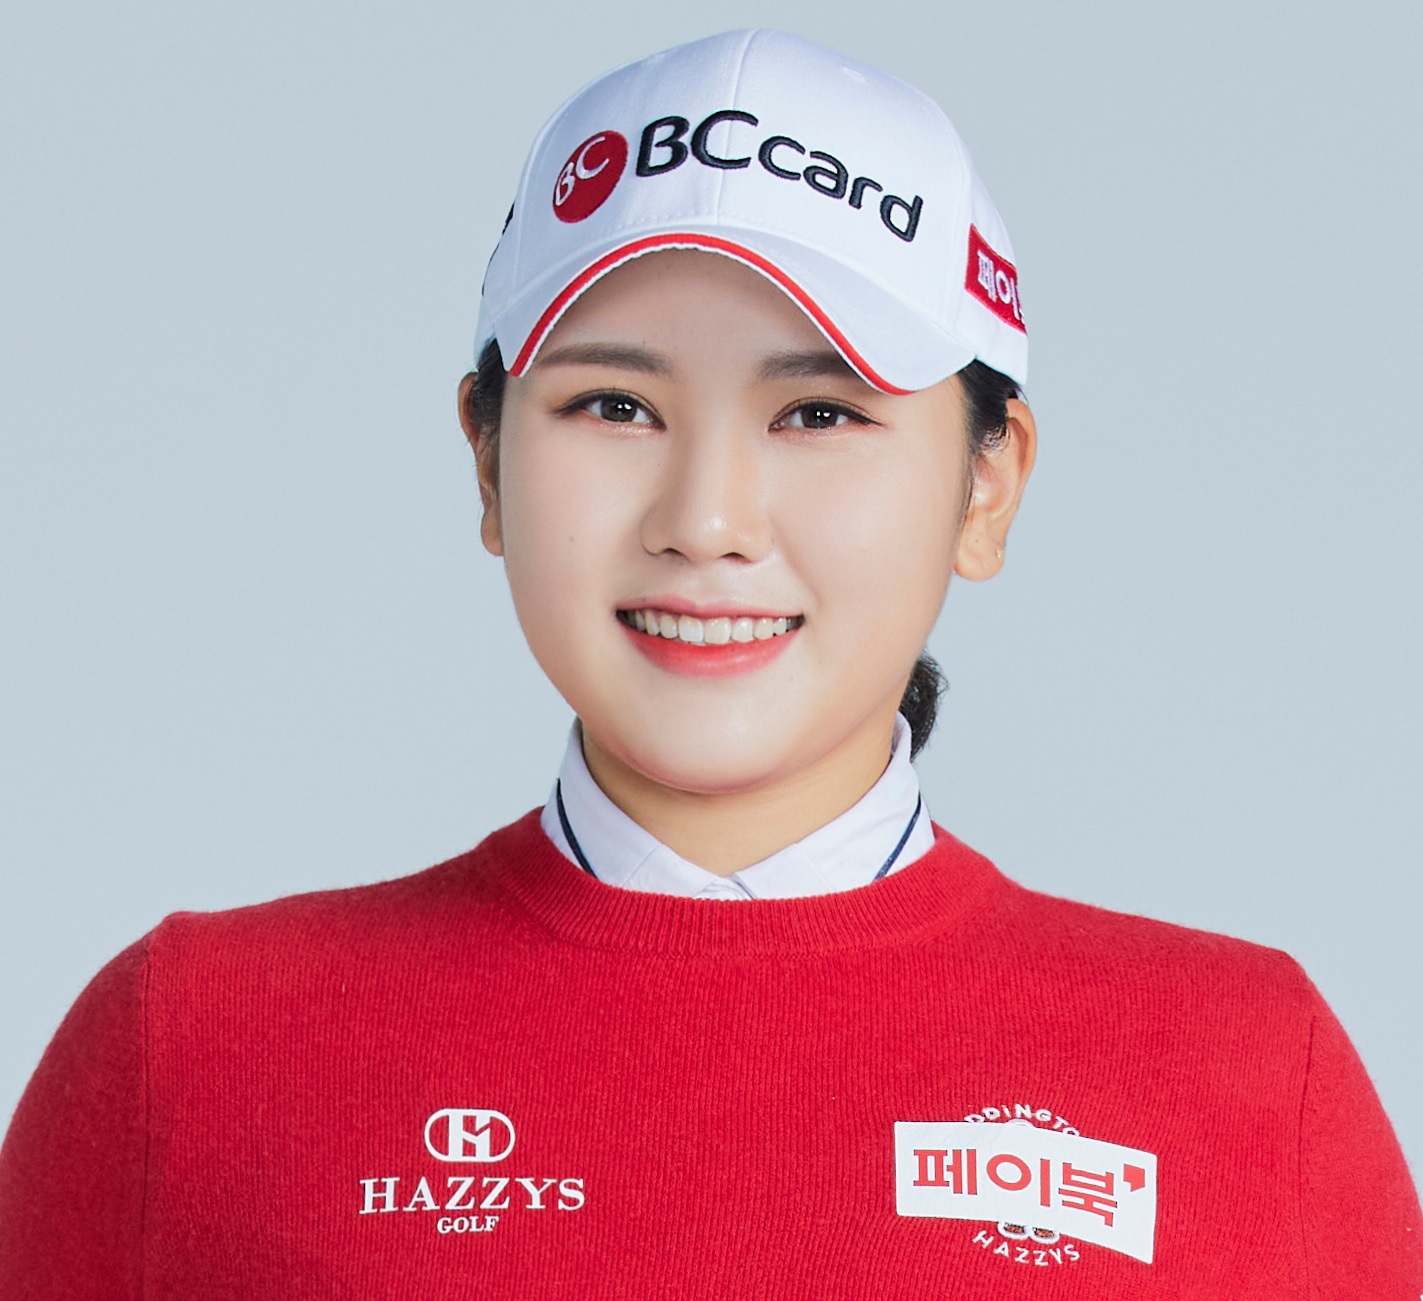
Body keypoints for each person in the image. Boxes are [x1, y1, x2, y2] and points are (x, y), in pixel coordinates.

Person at [1, 28, 1418, 1299]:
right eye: (615, 404)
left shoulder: (1246, 1075)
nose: (707, 521)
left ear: (988, 484)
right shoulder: (192, 1051)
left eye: (820, 413)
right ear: (487, 461)